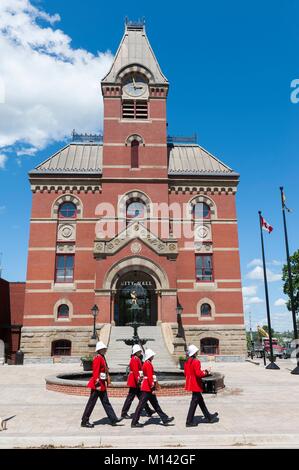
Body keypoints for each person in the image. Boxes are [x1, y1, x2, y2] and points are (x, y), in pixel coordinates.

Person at [81, 341, 122, 427]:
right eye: (104, 349)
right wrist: (97, 384)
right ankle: (84, 421)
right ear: (100, 350)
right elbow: (95, 372)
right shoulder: (98, 358)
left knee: (106, 402)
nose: (105, 350)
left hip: (102, 384)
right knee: (91, 403)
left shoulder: (102, 357)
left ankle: (113, 419)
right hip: (98, 385)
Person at [131, 349, 174, 428]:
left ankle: (164, 419)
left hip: (147, 387)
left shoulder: (147, 363)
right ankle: (134, 422)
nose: (153, 356)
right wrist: (153, 388)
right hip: (147, 388)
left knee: (155, 405)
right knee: (141, 406)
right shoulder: (148, 364)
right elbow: (150, 377)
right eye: (152, 355)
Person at [184, 344, 218, 427]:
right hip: (196, 384)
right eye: (196, 352)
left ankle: (208, 417)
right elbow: (199, 374)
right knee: (194, 403)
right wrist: (206, 372)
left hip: (190, 382)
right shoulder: (196, 361)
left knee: (200, 401)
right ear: (194, 353)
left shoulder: (187, 361)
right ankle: (189, 421)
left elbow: (186, 373)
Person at [121, 344, 155, 419]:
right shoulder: (134, 359)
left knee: (141, 397)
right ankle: (124, 413)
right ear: (136, 352)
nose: (140, 352)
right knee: (130, 397)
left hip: (135, 380)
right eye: (139, 351)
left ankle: (148, 410)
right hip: (134, 381)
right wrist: (139, 380)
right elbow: (136, 371)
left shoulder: (136, 358)